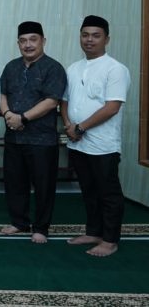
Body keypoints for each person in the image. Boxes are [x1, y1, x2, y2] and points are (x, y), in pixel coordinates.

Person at [61, 15, 130, 257]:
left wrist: (81, 128)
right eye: (85, 35)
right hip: (78, 143)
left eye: (96, 35)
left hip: (104, 146)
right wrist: (69, 125)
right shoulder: (74, 67)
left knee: (108, 194)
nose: (89, 40)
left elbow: (112, 107)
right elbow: (65, 101)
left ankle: (110, 240)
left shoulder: (116, 69)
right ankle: (93, 231)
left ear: (106, 39)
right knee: (88, 190)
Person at [0, 21, 66, 244]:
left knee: (44, 185)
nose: (28, 45)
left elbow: (51, 101)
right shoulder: (11, 67)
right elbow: (2, 94)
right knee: (15, 182)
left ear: (43, 41)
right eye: (23, 40)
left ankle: (41, 228)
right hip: (14, 137)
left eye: (33, 39)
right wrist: (8, 113)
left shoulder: (53, 68)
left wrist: (23, 118)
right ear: (18, 43)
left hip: (42, 139)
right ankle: (19, 222)